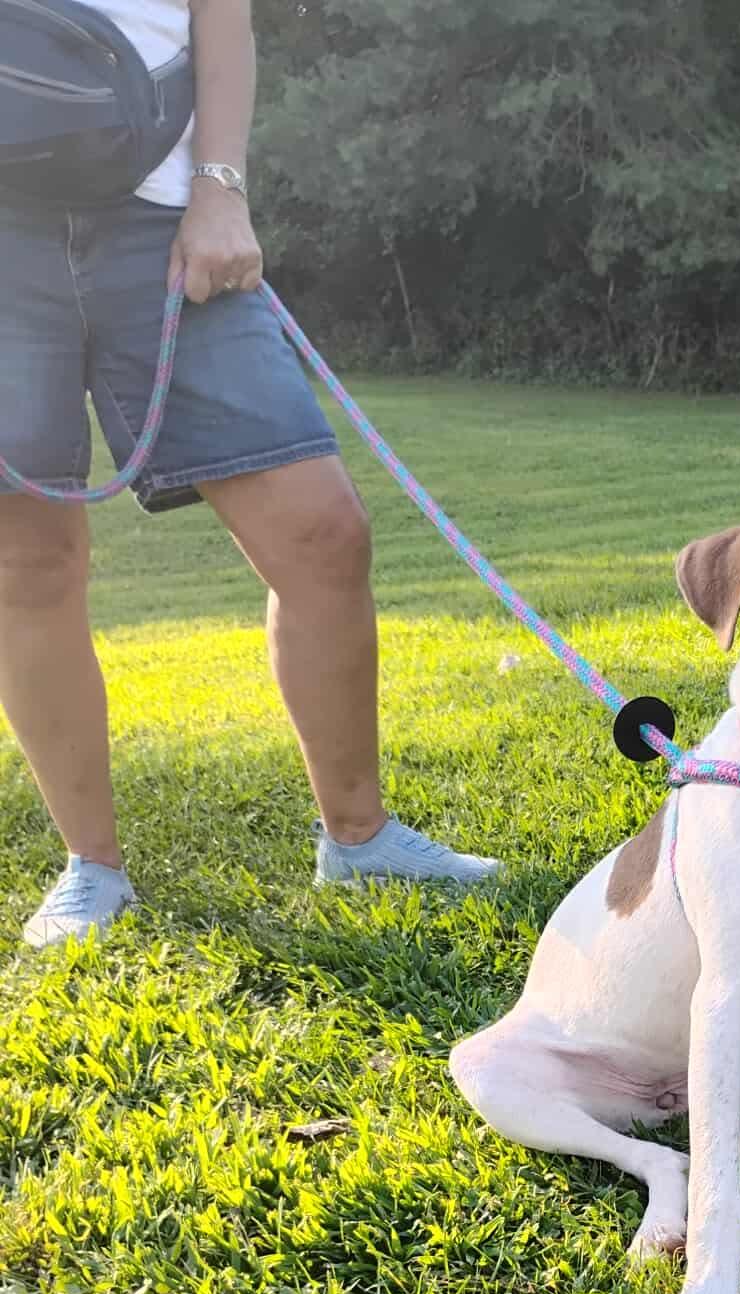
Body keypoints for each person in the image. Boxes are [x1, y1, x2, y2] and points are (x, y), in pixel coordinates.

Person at [0, 0, 499, 950]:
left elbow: (220, 14)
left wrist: (219, 187)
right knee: (26, 560)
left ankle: (360, 838)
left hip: (165, 208)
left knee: (321, 531)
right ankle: (90, 867)